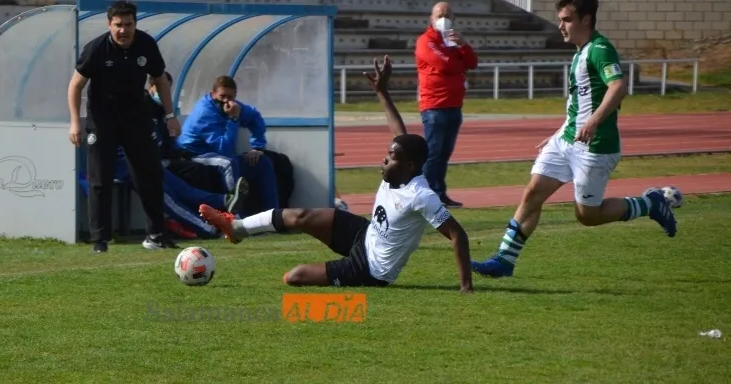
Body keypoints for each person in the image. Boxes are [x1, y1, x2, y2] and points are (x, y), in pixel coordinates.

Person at [198, 56, 473, 292]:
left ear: (410, 166)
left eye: (391, 158)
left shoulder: (421, 196)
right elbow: (399, 131)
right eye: (388, 154)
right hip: (364, 234)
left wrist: (466, 287)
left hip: (370, 269)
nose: (384, 159)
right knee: (302, 215)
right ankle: (235, 228)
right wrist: (381, 92)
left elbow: (458, 235)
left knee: (294, 277)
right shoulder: (402, 166)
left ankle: (244, 234)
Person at [470, 0, 679, 278]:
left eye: (567, 19)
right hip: (566, 140)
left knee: (587, 216)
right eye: (560, 19)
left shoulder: (600, 50)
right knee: (533, 193)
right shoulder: (580, 52)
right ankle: (504, 261)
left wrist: (593, 122)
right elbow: (579, 107)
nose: (560, 26)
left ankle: (650, 203)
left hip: (595, 147)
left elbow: (618, 88)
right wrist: (557, 134)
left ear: (586, 19)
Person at [67, 0, 181, 253]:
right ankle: (100, 239)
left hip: (136, 118)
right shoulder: (96, 49)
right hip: (102, 119)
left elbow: (160, 79)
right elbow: (75, 85)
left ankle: (156, 235)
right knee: (100, 179)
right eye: (118, 25)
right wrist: (75, 122)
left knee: (150, 174)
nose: (123, 30)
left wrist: (170, 115)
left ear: (135, 24)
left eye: (128, 24)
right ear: (110, 25)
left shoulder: (146, 44)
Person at [110, 72, 250, 240]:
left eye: (167, 89)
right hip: (130, 167)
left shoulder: (159, 110)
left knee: (185, 190)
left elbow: (162, 141)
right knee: (169, 198)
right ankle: (211, 229)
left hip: (151, 161)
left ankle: (226, 201)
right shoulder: (127, 109)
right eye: (161, 88)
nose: (165, 93)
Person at [176, 75, 279, 215]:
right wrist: (234, 118)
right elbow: (223, 149)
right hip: (195, 154)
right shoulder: (204, 113)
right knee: (228, 164)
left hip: (217, 153)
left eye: (230, 97)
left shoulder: (234, 106)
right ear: (213, 95)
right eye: (222, 96)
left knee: (263, 162)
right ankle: (238, 219)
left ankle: (274, 216)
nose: (226, 101)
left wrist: (257, 147)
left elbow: (255, 117)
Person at [415, 1, 478, 208]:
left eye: (448, 14)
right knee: (432, 153)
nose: (444, 18)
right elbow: (446, 64)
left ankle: (439, 193)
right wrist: (459, 63)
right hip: (434, 105)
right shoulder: (426, 41)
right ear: (431, 19)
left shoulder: (453, 42)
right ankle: (424, 195)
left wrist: (464, 45)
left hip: (454, 105)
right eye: (440, 14)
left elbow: (472, 62)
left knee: (443, 154)